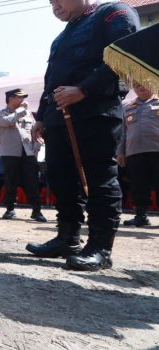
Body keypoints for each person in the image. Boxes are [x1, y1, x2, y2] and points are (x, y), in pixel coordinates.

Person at [25, 0, 138, 271]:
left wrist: (83, 89)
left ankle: (100, 247)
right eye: (50, 2)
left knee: (100, 179)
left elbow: (125, 58)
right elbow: (51, 79)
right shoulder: (62, 36)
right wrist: (41, 116)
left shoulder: (113, 14)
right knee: (61, 178)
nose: (54, 5)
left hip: (95, 112)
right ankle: (67, 238)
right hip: (59, 118)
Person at [0, 89, 46, 222]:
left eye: (23, 97)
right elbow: (8, 122)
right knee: (10, 181)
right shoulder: (0, 114)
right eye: (19, 97)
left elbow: (35, 131)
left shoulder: (28, 114)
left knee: (32, 181)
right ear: (10, 99)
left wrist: (36, 145)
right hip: (9, 152)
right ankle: (10, 209)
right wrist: (20, 111)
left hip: (28, 151)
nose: (23, 100)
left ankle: (37, 210)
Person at [117, 83, 159, 227]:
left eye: (144, 84)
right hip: (134, 151)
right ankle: (140, 216)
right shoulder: (127, 105)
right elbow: (123, 132)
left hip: (157, 150)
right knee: (138, 185)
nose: (140, 87)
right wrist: (120, 152)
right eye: (137, 85)